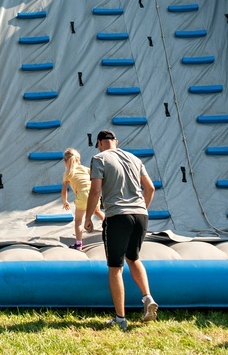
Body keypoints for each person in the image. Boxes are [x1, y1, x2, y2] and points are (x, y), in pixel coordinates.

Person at [84, 130, 158, 330]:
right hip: (141, 215)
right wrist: (142, 209)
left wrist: (88, 217)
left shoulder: (99, 159)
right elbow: (150, 188)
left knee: (115, 268)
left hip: (117, 216)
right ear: (116, 141)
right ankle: (147, 297)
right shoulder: (134, 158)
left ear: (99, 143)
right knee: (133, 258)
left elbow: (95, 190)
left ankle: (120, 318)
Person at [61, 148, 105, 251]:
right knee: (97, 211)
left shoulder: (67, 174)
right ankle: (112, 226)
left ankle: (78, 244)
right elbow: (96, 176)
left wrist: (65, 201)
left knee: (78, 220)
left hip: (82, 195)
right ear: (78, 159)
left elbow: (64, 191)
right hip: (93, 192)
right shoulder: (85, 169)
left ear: (65, 162)